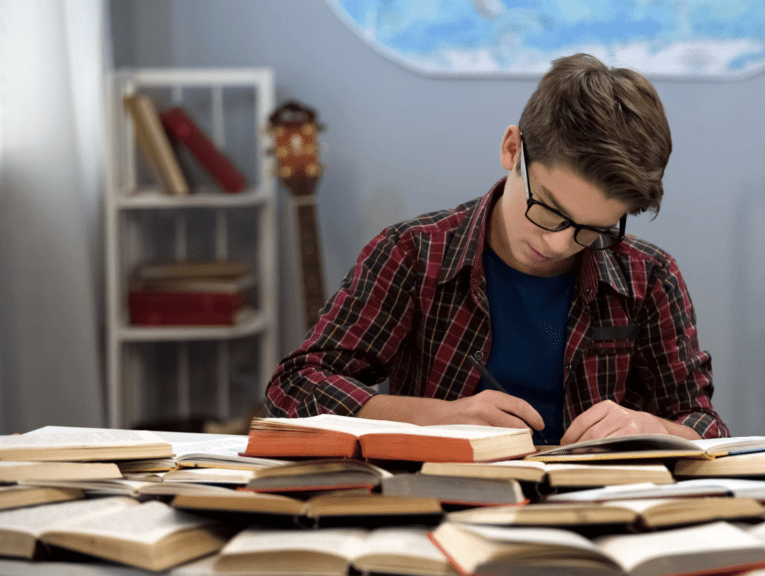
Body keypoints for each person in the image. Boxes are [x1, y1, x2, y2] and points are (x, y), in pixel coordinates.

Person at [265, 53, 728, 445]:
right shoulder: (412, 254)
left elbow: (706, 427)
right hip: (441, 509)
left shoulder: (649, 278)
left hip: (600, 520)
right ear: (512, 150)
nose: (559, 243)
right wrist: (436, 418)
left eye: (594, 230)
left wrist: (652, 427)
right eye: (549, 210)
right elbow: (294, 389)